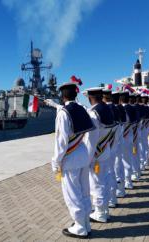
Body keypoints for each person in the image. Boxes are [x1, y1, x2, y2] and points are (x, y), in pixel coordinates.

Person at [51, 82, 94, 238]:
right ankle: (86, 223)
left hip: (70, 158)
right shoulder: (82, 109)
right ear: (75, 95)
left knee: (72, 194)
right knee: (84, 191)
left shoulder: (63, 113)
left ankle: (80, 227)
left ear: (63, 96)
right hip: (83, 154)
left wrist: (56, 162)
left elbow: (61, 141)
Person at [83, 87, 115, 223]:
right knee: (105, 181)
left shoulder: (93, 113)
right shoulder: (108, 109)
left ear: (90, 98)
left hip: (96, 154)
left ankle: (100, 213)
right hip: (106, 150)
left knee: (96, 184)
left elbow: (91, 139)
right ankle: (105, 210)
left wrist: (88, 158)